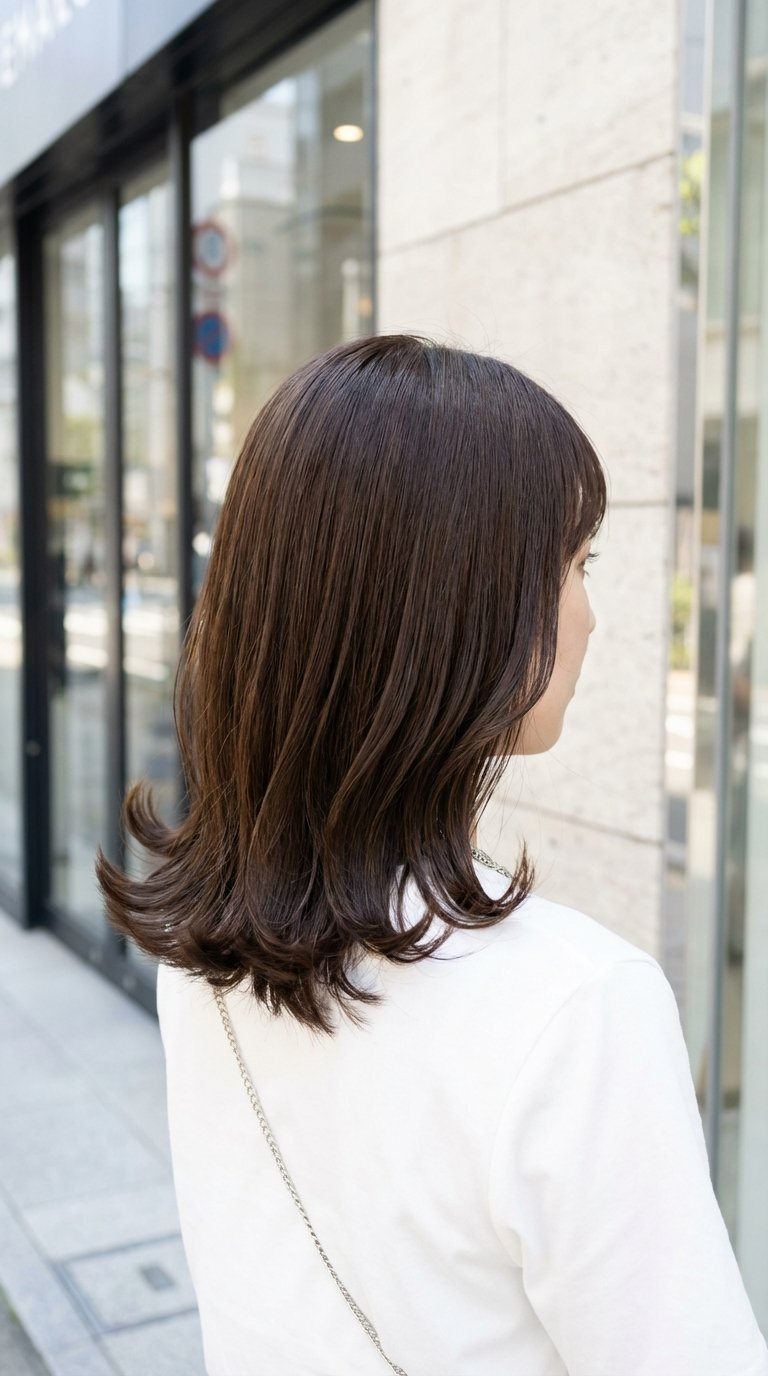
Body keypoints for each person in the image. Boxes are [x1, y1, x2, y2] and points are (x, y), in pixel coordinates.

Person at [96, 334, 768, 1376]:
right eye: (575, 565)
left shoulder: (200, 931)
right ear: (453, 607)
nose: (591, 615)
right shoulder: (576, 1008)